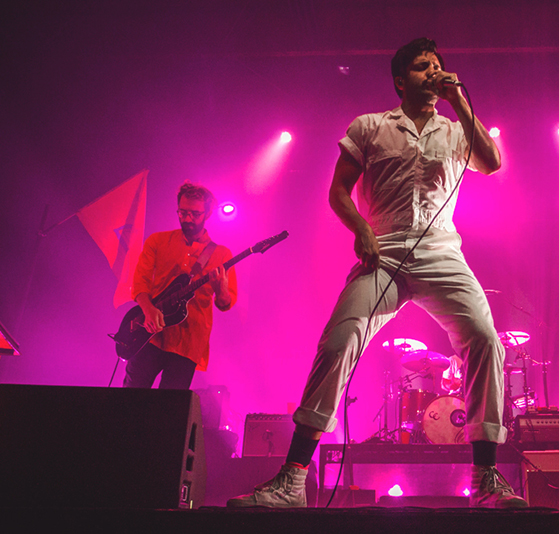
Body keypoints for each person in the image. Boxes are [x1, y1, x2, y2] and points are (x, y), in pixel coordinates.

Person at [228, 37, 527, 509]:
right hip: (383, 250)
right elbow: (338, 192)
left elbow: (491, 163)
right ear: (400, 81)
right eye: (423, 67)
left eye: (438, 65)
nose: (434, 72)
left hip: (441, 252)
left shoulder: (455, 130)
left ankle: (486, 478)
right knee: (338, 342)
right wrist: (362, 230)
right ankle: (292, 479)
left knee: (486, 340)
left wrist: (459, 101)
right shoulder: (369, 126)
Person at [123, 181, 237, 389]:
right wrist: (148, 309)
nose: (187, 218)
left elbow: (225, 304)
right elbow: (140, 282)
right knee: (130, 397)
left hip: (188, 342)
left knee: (170, 405)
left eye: (195, 214)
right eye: (182, 212)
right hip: (149, 334)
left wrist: (221, 291)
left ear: (208, 214)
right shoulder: (158, 241)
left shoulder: (221, 254)